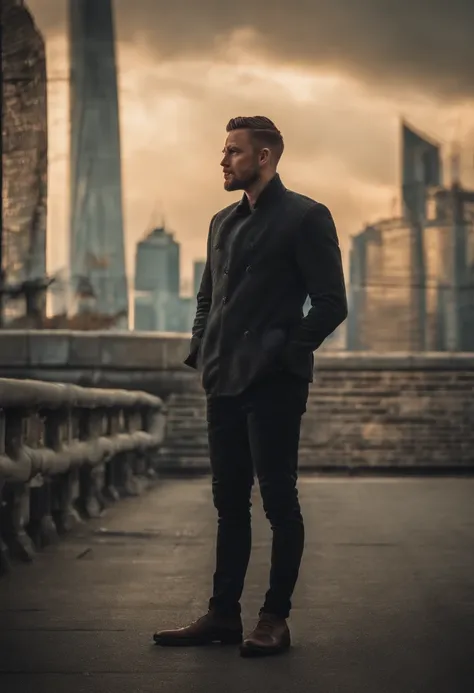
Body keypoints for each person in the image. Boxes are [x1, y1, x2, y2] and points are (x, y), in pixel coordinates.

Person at [153, 116, 347, 657]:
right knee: (228, 502)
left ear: (264, 158)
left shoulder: (307, 217)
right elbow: (206, 300)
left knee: (279, 501)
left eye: (233, 152)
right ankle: (222, 615)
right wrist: (203, 352)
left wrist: (284, 352)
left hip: (274, 386)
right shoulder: (221, 221)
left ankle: (274, 619)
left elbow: (332, 302)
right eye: (223, 151)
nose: (223, 160)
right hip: (223, 383)